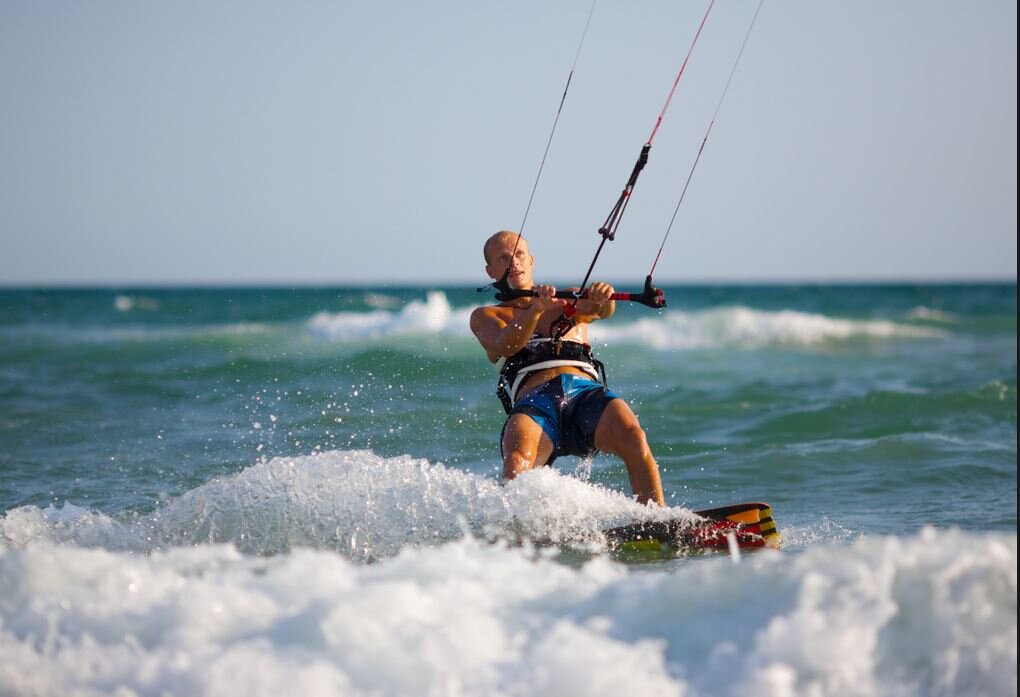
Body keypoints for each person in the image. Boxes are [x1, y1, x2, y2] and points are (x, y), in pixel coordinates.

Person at [470, 230, 665, 506]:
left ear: (531, 261)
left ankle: (658, 519)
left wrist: (602, 297)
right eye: (503, 258)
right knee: (516, 465)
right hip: (536, 403)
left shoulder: (567, 301)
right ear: (491, 271)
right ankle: (518, 534)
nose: (514, 262)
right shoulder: (486, 316)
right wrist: (534, 310)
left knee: (634, 436)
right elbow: (505, 345)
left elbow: (598, 310)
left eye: (519, 254)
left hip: (585, 395)